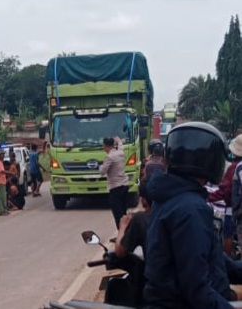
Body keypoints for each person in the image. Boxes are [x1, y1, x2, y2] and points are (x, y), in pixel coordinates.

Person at [144, 122, 241, 309]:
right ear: (208, 160)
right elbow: (197, 290)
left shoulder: (170, 197)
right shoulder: (190, 209)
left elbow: (211, 260)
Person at [99, 137, 129, 230]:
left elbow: (102, 171)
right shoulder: (120, 153)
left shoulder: (109, 157)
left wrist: (100, 166)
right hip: (124, 185)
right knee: (123, 212)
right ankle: (126, 233)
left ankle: (120, 235)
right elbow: (121, 146)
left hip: (115, 188)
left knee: (117, 213)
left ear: (105, 146)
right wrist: (119, 141)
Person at [0, 149, 13, 216]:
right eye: (2, 154)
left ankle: (4, 210)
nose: (3, 155)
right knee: (1, 197)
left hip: (0, 181)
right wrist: (10, 173)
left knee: (2, 196)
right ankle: (1, 211)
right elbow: (2, 171)